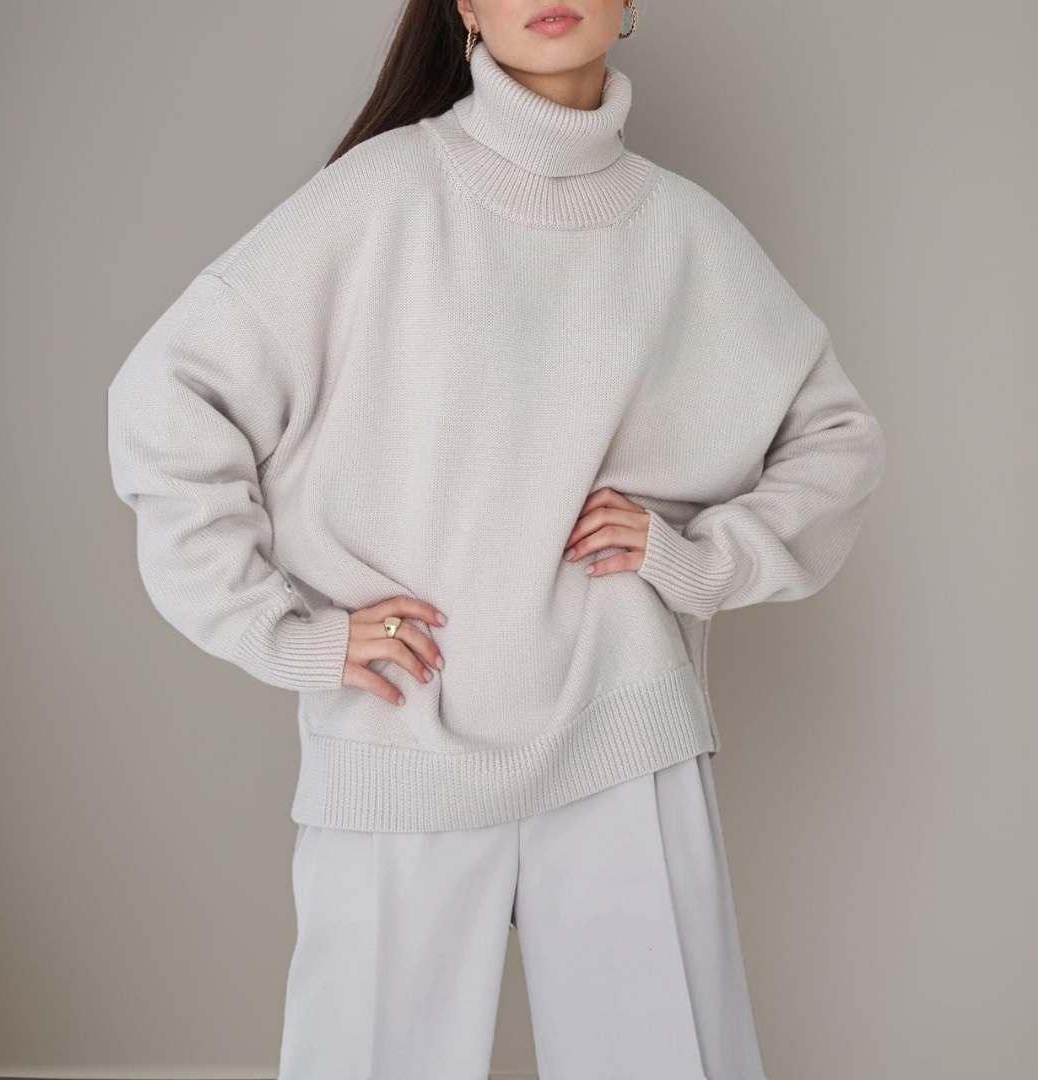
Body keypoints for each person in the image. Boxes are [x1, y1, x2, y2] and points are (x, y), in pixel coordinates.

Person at [106, 1, 888, 1077]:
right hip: (401, 729)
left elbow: (837, 440)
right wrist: (284, 634)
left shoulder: (682, 229)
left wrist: (697, 561)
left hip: (624, 730)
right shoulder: (383, 192)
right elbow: (166, 399)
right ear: (465, 7)